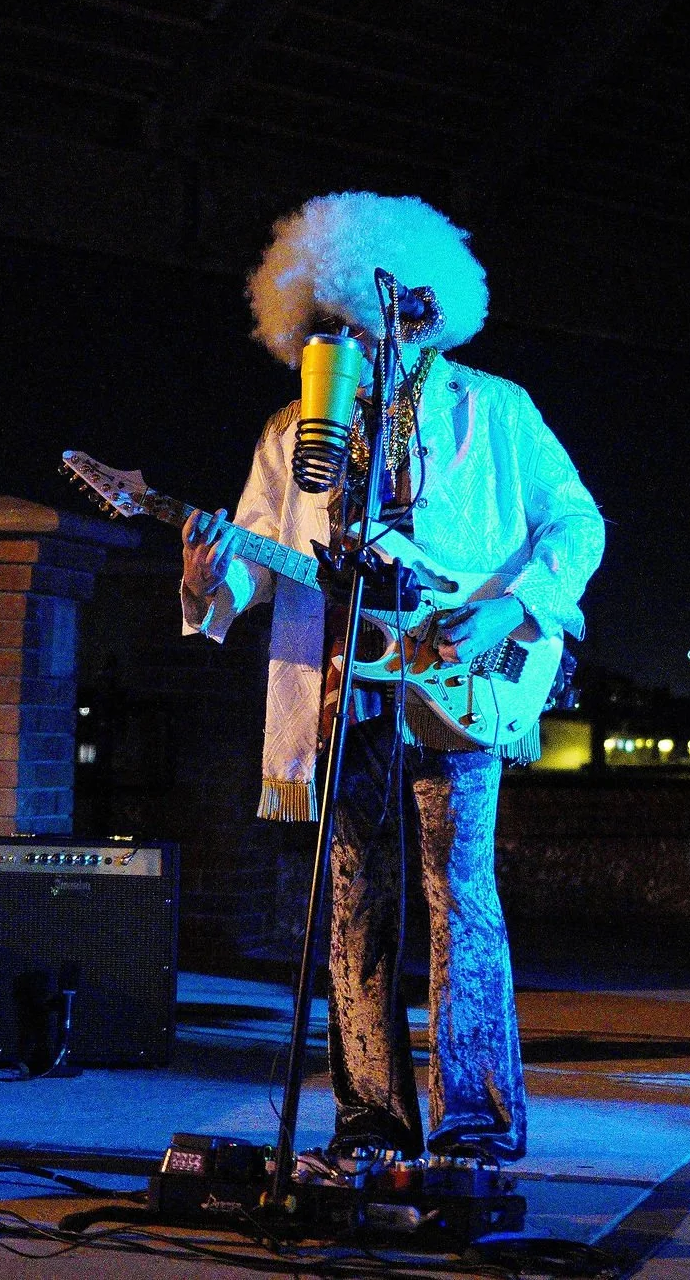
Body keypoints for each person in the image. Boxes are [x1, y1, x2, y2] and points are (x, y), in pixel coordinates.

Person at [178, 192, 605, 1161]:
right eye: (340, 320)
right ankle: (369, 1114)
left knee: (462, 894)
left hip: (460, 680)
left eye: (397, 310)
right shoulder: (298, 430)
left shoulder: (494, 408)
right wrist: (211, 569)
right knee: (351, 898)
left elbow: (574, 522)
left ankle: (477, 1121)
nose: (372, 330)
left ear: (427, 308)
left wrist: (512, 604)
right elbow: (257, 555)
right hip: (342, 687)